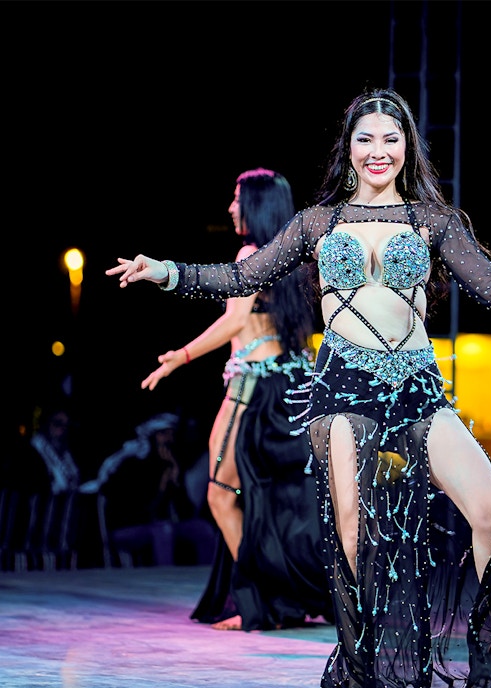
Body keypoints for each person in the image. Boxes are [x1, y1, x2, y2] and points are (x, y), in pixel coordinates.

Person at [106, 88, 491, 688]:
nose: (378, 150)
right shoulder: (318, 223)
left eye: (391, 138)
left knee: (488, 507)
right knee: (350, 525)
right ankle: (362, 666)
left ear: (408, 147)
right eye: (365, 139)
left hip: (417, 387)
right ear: (347, 148)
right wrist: (165, 272)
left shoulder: (435, 221)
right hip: (344, 387)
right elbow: (242, 275)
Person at [138, 167, 332, 632]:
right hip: (292, 390)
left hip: (253, 388)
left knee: (222, 495)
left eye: (236, 198)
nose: (230, 207)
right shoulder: (297, 260)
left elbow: (233, 321)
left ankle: (259, 602)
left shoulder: (250, 254)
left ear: (257, 205)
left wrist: (179, 357)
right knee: (271, 501)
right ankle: (278, 599)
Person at [80, 412, 214, 567]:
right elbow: (141, 513)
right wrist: (162, 487)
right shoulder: (131, 466)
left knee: (202, 528)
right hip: (127, 529)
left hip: (161, 527)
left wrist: (176, 481)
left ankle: (205, 580)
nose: (168, 440)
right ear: (151, 437)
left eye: (171, 434)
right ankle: (165, 581)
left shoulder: (170, 465)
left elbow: (186, 513)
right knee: (163, 529)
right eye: (163, 434)